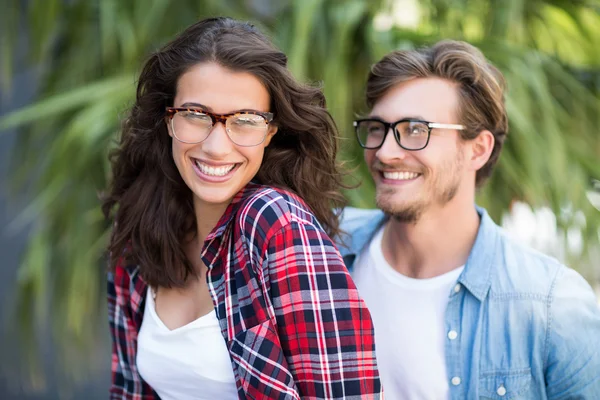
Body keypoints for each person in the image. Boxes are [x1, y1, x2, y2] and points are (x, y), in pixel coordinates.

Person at [103, 17, 382, 400]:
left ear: (271, 132)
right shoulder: (139, 234)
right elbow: (128, 391)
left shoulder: (276, 222)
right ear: (168, 119)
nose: (216, 147)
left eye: (245, 121)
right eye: (196, 115)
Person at [338, 40, 600, 399]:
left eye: (415, 129)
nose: (385, 151)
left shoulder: (552, 304)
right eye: (376, 128)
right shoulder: (321, 246)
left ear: (478, 149)